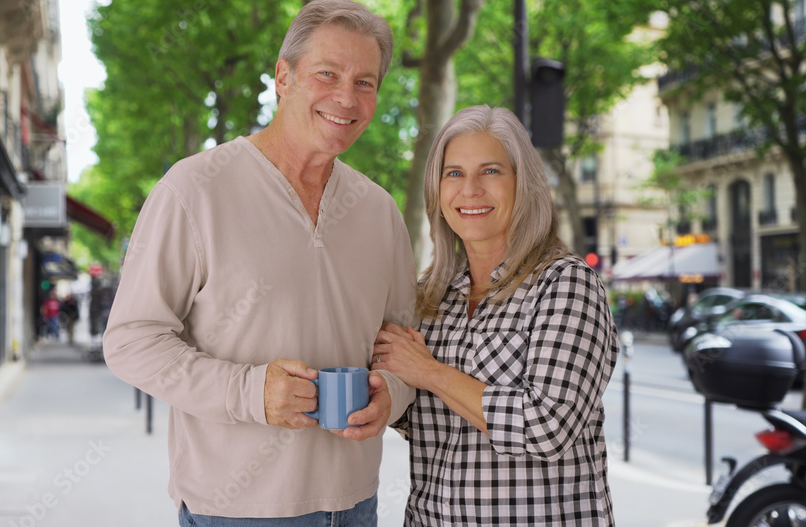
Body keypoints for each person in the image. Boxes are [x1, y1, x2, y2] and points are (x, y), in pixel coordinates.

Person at [102, 2, 417, 525]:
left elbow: (403, 342)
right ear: (284, 78)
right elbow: (131, 341)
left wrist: (394, 396)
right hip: (235, 510)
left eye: (365, 82)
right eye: (327, 74)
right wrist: (250, 392)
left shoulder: (379, 211)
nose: (347, 97)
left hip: (357, 503)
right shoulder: (193, 189)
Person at [372, 105, 618, 526]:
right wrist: (382, 397)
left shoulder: (566, 285)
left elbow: (547, 427)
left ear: (524, 184)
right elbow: (422, 416)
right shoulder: (433, 296)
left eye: (490, 171)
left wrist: (429, 372)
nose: (470, 190)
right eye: (454, 173)